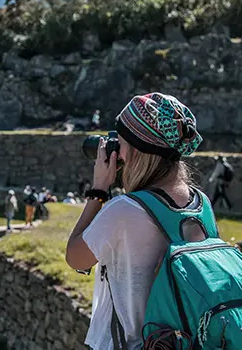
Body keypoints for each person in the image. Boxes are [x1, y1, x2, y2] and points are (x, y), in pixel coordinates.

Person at [65, 92, 204, 350]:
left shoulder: (125, 210)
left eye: (120, 140)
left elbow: (76, 258)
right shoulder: (201, 205)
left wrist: (98, 190)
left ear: (138, 150)